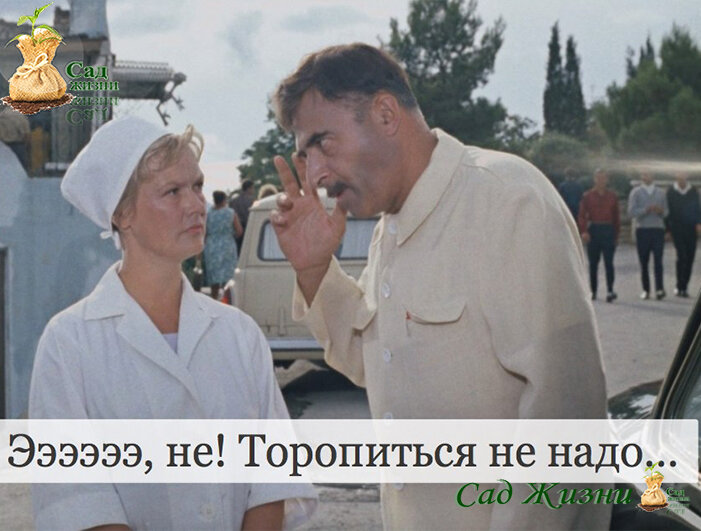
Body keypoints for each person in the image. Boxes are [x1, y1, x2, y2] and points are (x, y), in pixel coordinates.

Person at [269, 43, 609, 531]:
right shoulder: (391, 225)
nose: (316, 174)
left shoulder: (506, 199)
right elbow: (377, 362)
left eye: (323, 143)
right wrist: (315, 269)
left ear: (386, 114)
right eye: (305, 156)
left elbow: (565, 416)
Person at [28, 116, 316, 531]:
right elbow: (77, 500)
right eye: (172, 191)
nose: (196, 205)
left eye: (197, 186)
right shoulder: (69, 343)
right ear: (122, 213)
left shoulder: (239, 333)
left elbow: (271, 480)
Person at [578, 169, 620, 302]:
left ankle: (610, 290)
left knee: (609, 262)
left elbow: (616, 217)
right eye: (598, 178)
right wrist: (584, 231)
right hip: (594, 229)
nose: (601, 181)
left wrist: (616, 235)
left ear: (607, 180)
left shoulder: (612, 196)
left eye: (603, 178)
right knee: (593, 263)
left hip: (608, 229)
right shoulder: (587, 196)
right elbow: (582, 215)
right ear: (594, 179)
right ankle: (593, 290)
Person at [628, 172, 669, 300]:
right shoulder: (636, 192)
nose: (647, 177)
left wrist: (660, 211)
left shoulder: (660, 193)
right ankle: (646, 289)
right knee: (644, 261)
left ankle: (659, 289)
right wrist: (645, 210)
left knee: (658, 261)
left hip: (657, 229)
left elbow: (667, 212)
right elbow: (631, 212)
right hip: (643, 229)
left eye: (649, 174)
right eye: (645, 175)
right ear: (642, 176)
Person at [666, 172, 701, 297]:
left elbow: (698, 208)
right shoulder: (671, 191)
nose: (681, 177)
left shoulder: (693, 191)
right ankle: (678, 285)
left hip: (691, 228)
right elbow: (667, 211)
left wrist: (698, 223)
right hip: (677, 228)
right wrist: (667, 229)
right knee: (682, 256)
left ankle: (684, 287)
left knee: (690, 257)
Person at [204, 190, 242, 299]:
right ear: (224, 200)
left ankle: (214, 297)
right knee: (229, 276)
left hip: (212, 246)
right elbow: (239, 231)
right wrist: (229, 236)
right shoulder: (231, 213)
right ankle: (228, 298)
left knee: (214, 278)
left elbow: (204, 232)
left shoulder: (208, 214)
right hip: (227, 245)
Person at [230, 179, 255, 253]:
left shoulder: (233, 201)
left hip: (236, 231)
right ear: (248, 188)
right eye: (252, 188)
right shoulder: (252, 201)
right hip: (249, 229)